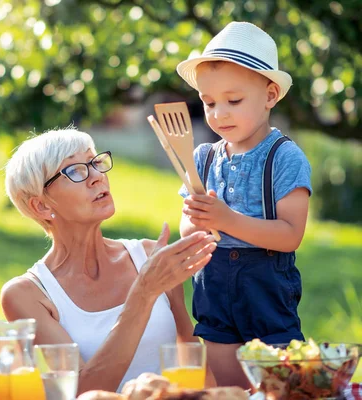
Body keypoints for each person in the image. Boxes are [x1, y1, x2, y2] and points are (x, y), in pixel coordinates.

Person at [1, 128, 218, 394]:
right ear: (42, 206)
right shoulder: (27, 295)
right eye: (75, 171)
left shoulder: (150, 256)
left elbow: (191, 359)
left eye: (95, 163)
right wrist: (143, 293)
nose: (96, 177)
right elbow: (82, 392)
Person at [175, 21, 312, 388]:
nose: (219, 114)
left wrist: (226, 218)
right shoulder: (201, 159)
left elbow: (289, 235)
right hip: (214, 288)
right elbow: (187, 230)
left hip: (266, 293)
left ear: (270, 96)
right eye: (209, 102)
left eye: (233, 101)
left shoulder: (285, 158)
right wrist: (197, 219)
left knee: (276, 389)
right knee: (228, 390)